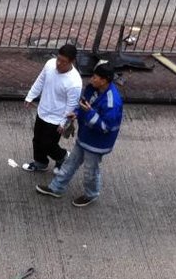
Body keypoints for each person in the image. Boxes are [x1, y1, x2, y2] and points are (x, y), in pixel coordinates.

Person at [34, 62, 122, 207]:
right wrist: (76, 113)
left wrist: (88, 113)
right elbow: (82, 104)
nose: (91, 79)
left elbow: (105, 127)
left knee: (90, 171)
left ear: (104, 80)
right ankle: (56, 188)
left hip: (96, 144)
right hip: (85, 137)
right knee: (70, 163)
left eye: (95, 77)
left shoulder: (112, 103)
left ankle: (91, 194)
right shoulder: (93, 89)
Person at [21, 44, 82, 172]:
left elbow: (72, 105)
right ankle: (40, 162)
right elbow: (40, 80)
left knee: (48, 144)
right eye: (58, 59)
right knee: (37, 140)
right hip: (43, 111)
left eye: (63, 62)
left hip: (57, 118)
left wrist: (64, 123)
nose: (58, 64)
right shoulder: (50, 64)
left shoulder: (74, 82)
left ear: (72, 61)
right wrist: (30, 96)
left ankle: (63, 157)